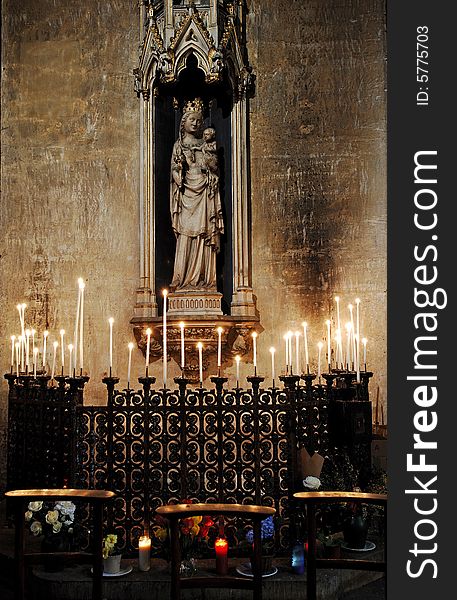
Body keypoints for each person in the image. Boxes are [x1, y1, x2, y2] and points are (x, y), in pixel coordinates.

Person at [169, 99, 224, 291]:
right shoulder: (179, 145)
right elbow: (174, 170)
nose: (196, 123)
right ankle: (182, 278)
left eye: (199, 120)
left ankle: (205, 279)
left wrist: (209, 159)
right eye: (192, 119)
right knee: (185, 234)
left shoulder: (207, 144)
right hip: (186, 193)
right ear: (183, 121)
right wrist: (178, 174)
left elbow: (215, 167)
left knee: (204, 234)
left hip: (204, 194)